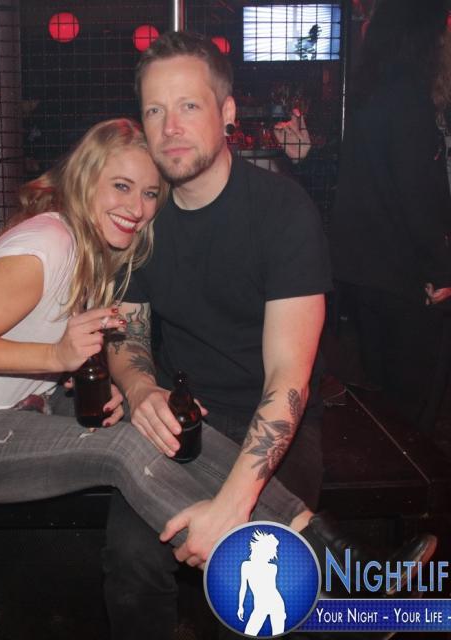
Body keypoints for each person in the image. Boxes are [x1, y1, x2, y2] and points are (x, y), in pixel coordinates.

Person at [101, 32, 436, 640]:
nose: (170, 127)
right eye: (154, 110)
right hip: (183, 418)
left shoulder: (283, 213)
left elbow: (289, 378)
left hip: (273, 418)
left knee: (243, 580)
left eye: (189, 105)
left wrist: (232, 508)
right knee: (129, 561)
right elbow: (127, 335)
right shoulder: (144, 215)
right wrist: (140, 386)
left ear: (227, 113)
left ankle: (362, 609)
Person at [0, 118, 316, 548]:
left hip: (23, 411)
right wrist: (56, 358)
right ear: (85, 180)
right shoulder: (49, 243)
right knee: (122, 446)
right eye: (121, 186)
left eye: (149, 194)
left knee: (160, 419)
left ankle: (309, 530)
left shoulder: (91, 248)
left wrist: (86, 379)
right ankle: (230, 551)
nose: (137, 208)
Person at [329, 0, 451, 432]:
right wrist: (441, 269)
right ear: (424, 36)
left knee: (384, 396)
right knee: (415, 402)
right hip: (404, 273)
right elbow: (415, 194)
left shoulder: (371, 91)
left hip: (364, 268)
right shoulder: (409, 96)